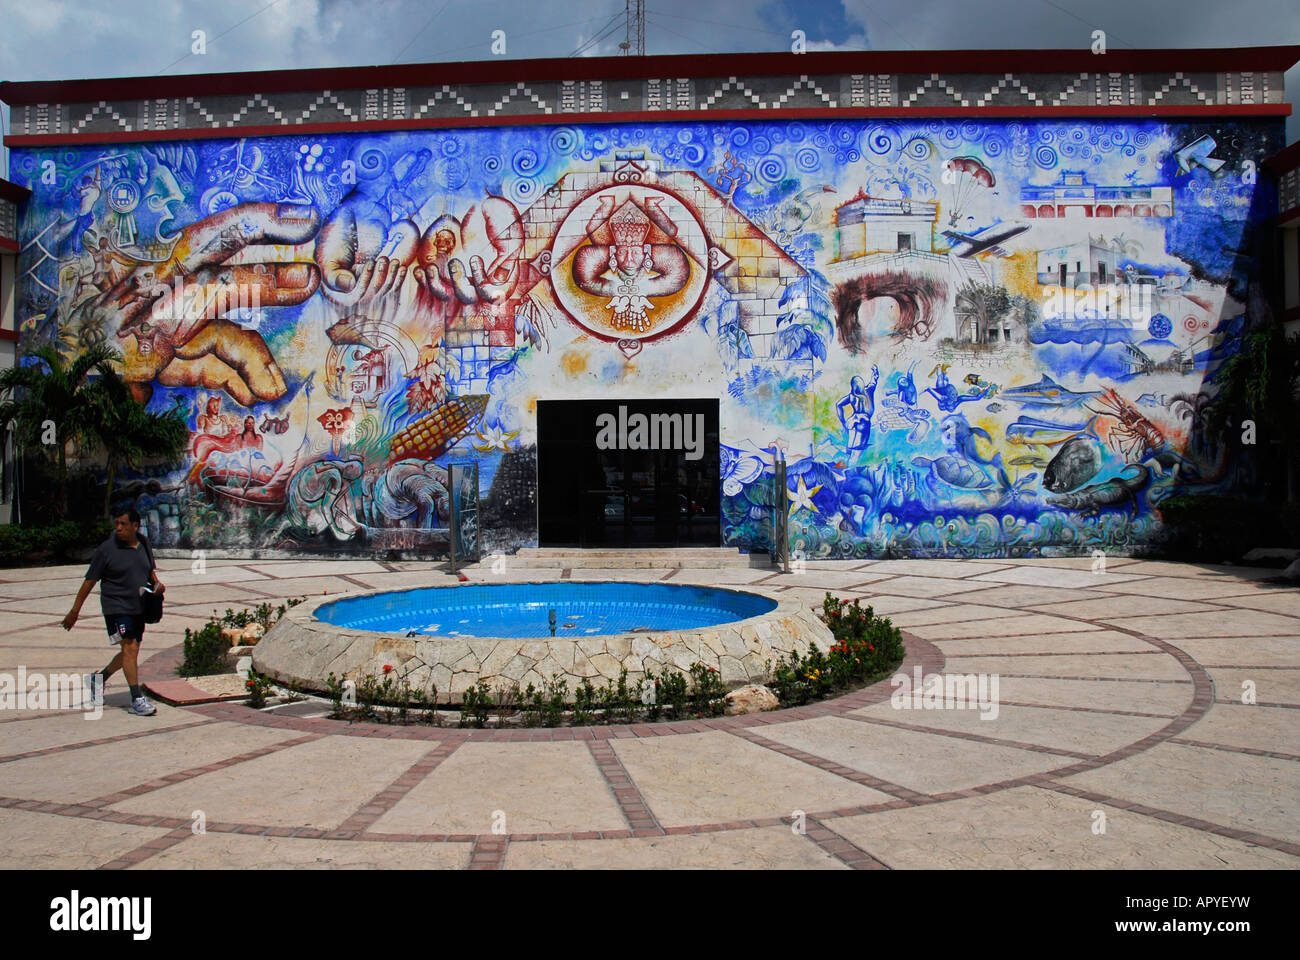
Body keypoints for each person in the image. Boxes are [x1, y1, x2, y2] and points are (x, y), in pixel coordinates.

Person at [62, 509, 165, 716]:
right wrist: (74, 611)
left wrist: (157, 584)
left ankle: (98, 679)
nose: (118, 528)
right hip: (116, 607)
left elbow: (149, 571)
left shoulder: (143, 543)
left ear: (135, 526)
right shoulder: (106, 550)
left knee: (132, 649)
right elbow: (89, 582)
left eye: (123, 524)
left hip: (139, 605)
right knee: (129, 647)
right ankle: (136, 699)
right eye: (116, 523)